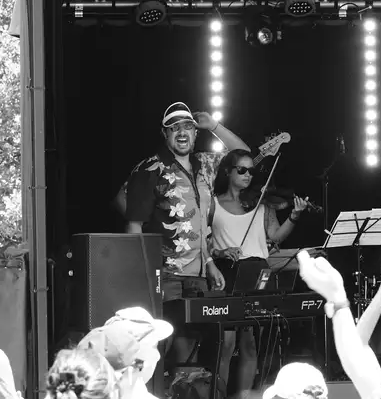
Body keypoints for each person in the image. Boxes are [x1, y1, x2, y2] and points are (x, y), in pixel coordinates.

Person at [123, 102, 250, 378]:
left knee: (188, 351)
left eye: (188, 127)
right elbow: (134, 225)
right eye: (174, 128)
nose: (182, 132)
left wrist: (214, 126)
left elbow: (244, 157)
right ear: (164, 133)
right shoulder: (149, 170)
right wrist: (142, 276)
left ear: (195, 133)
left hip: (198, 275)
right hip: (164, 275)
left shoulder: (204, 165)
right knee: (160, 348)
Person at [209, 149, 313, 395]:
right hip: (227, 273)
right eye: (241, 170)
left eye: (251, 171)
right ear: (228, 171)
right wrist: (220, 253)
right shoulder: (212, 203)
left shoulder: (261, 203)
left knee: (251, 344)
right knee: (226, 344)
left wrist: (295, 216)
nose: (247, 175)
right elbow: (205, 244)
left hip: (257, 273)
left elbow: (276, 236)